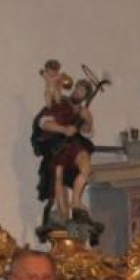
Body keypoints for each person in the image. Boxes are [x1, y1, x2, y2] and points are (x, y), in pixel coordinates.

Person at [31, 62, 95, 226]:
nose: (78, 92)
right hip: (57, 146)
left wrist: (88, 120)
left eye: (82, 92)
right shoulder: (61, 104)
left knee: (86, 166)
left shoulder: (82, 111)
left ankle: (76, 202)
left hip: (74, 145)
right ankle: (63, 213)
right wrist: (63, 129)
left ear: (85, 97)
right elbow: (44, 123)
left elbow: (88, 131)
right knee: (57, 175)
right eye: (77, 89)